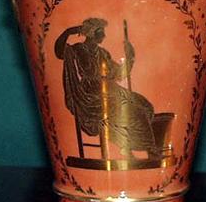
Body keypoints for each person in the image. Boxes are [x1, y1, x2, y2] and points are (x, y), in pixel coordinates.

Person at [55, 18, 159, 159]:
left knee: (145, 106)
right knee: (135, 112)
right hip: (92, 95)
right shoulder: (77, 50)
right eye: (101, 32)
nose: (104, 36)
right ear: (92, 33)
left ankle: (126, 146)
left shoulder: (103, 53)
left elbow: (118, 74)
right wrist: (68, 32)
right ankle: (151, 149)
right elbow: (59, 52)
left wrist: (130, 58)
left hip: (110, 90)